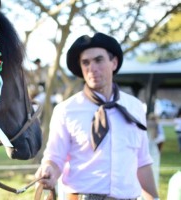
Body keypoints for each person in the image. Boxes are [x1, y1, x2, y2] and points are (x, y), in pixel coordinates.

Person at [35, 33, 159, 200]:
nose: (92, 68)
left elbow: (142, 162)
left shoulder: (135, 107)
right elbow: (54, 158)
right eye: (85, 62)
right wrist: (48, 169)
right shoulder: (66, 110)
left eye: (98, 60)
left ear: (114, 63)